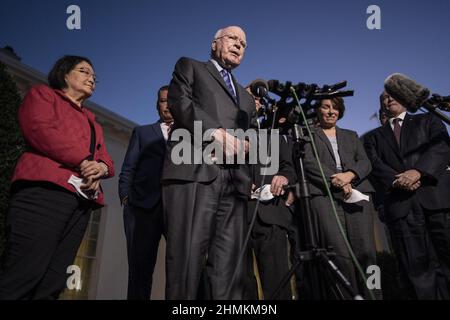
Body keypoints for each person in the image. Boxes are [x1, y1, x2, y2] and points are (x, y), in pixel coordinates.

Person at [0, 55, 114, 299]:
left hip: (81, 203)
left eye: (94, 76)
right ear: (64, 74)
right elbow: (39, 129)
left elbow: (106, 159)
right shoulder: (43, 95)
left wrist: (101, 169)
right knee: (24, 272)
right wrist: (84, 161)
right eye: (84, 71)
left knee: (53, 281)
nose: (91, 78)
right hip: (43, 193)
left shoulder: (95, 123)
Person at [162, 26, 256, 299]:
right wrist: (215, 133)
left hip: (235, 185)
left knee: (228, 270)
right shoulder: (190, 66)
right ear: (215, 43)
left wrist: (249, 144)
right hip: (195, 173)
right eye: (232, 39)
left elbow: (250, 134)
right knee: (186, 262)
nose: (239, 45)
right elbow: (180, 103)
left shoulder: (247, 96)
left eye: (244, 43)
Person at [363, 91, 450, 299]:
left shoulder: (428, 120)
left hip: (436, 202)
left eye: (394, 95)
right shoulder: (372, 137)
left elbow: (442, 147)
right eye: (384, 97)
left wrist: (418, 172)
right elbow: (374, 164)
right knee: (416, 270)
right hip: (402, 207)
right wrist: (399, 180)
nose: (389, 99)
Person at [303, 97, 379, 299]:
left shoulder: (351, 135)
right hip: (325, 196)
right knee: (339, 255)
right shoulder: (308, 135)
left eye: (335, 108)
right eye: (326, 107)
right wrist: (336, 180)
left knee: (368, 254)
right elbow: (309, 163)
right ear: (317, 110)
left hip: (358, 194)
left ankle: (375, 295)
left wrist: (350, 175)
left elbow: (365, 162)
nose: (331, 112)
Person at [118, 85, 173, 300]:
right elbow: (128, 168)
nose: (167, 105)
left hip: (176, 210)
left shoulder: (190, 136)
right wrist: (125, 197)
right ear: (157, 105)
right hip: (143, 209)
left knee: (184, 269)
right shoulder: (142, 132)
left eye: (171, 100)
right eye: (162, 100)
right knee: (140, 271)